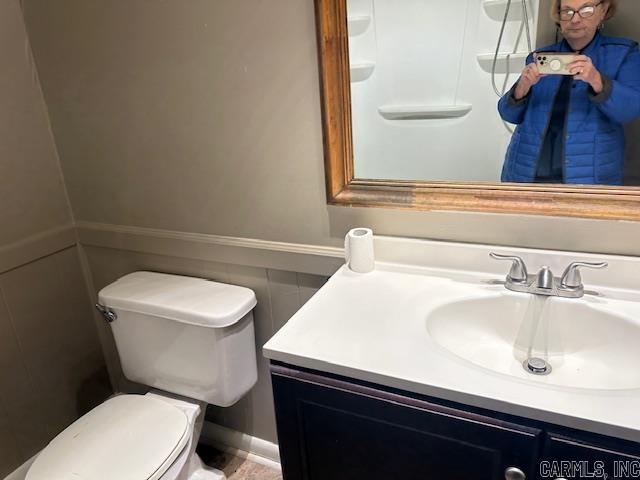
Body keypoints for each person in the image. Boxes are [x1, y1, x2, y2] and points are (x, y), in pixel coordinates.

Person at [498, 0, 640, 185]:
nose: (575, 19)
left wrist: (597, 80)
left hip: (590, 175)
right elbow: (508, 114)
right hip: (526, 170)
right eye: (567, 11)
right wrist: (522, 88)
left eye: (586, 9)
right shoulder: (540, 57)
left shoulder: (624, 53)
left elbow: (630, 110)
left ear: (603, 10)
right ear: (559, 16)